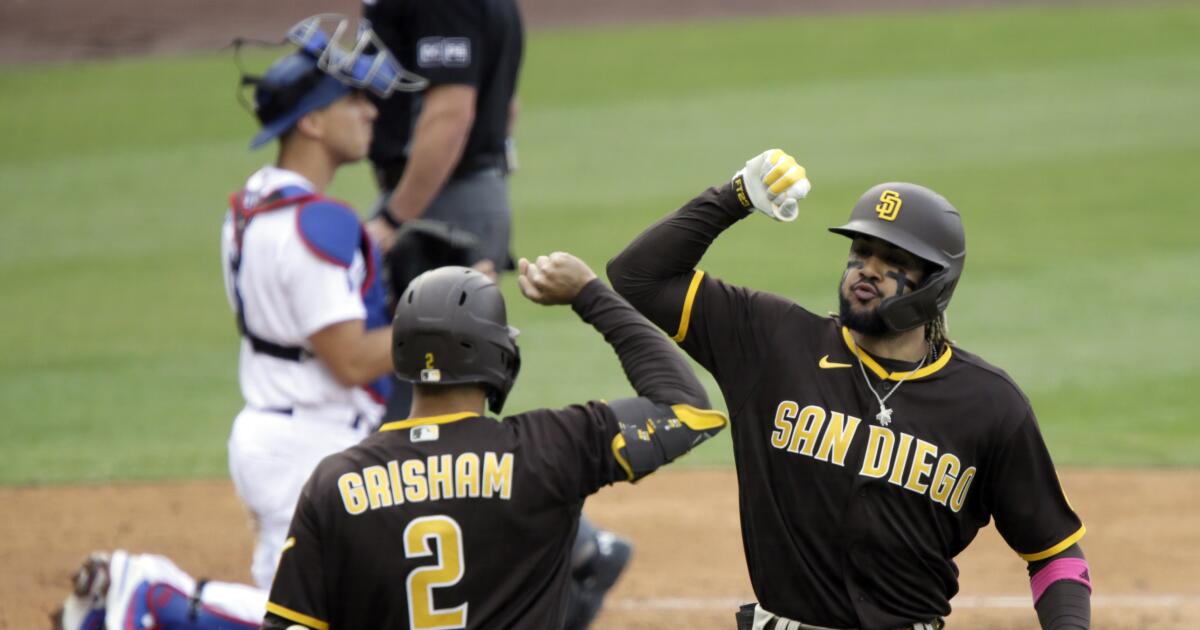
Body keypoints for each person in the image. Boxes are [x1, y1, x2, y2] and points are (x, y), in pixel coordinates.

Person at [607, 149, 1093, 630]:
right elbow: (637, 276)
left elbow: (1053, 553)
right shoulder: (771, 341)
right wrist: (736, 196)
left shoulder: (988, 404)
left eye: (894, 260)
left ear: (936, 285)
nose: (868, 269)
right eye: (861, 252)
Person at [260, 255, 728, 629]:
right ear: (498, 355)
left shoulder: (335, 483)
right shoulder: (549, 449)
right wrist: (590, 294)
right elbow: (687, 409)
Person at [220, 14, 424, 590]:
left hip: (278, 436)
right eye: (351, 101)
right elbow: (351, 360)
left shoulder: (250, 205)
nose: (370, 112)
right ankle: (149, 593)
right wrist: (444, 318)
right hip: (312, 449)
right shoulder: (318, 224)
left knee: (295, 606)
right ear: (311, 121)